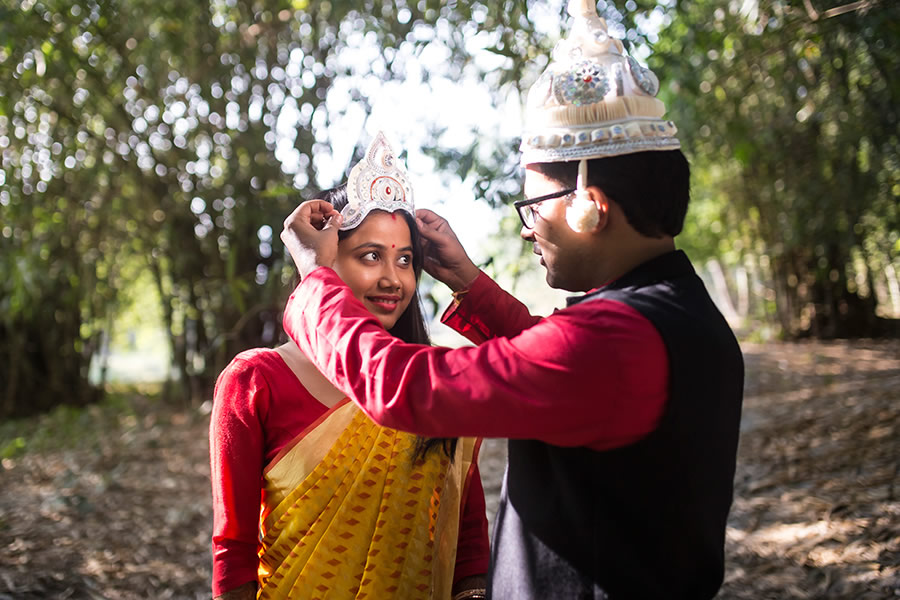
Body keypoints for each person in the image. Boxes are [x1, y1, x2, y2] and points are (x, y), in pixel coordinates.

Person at [278, 2, 744, 599]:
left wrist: (317, 279)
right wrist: (469, 282)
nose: (526, 229)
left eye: (532, 208)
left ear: (588, 207)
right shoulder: (675, 315)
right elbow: (554, 365)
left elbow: (408, 387)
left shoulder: (614, 342)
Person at [209, 133, 490, 600]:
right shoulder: (256, 380)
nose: (392, 278)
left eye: (405, 260)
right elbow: (233, 553)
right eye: (370, 256)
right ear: (325, 261)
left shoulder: (430, 382)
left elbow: (469, 544)